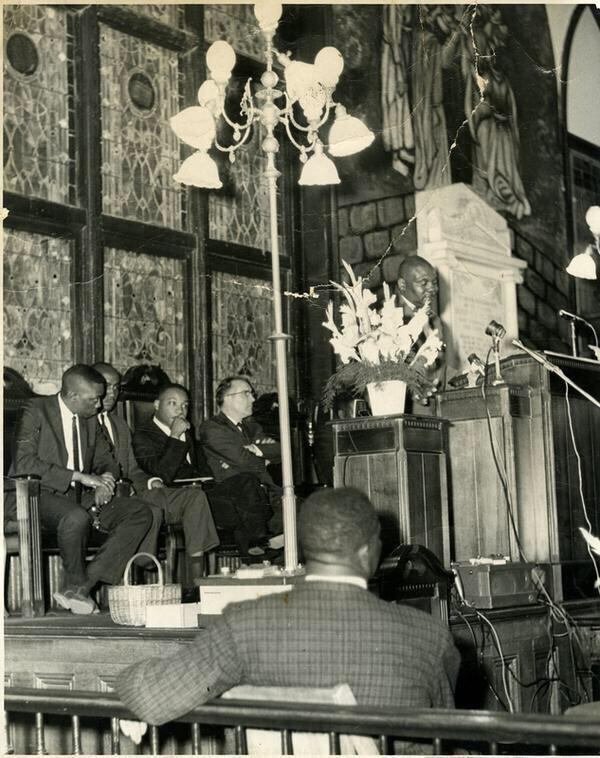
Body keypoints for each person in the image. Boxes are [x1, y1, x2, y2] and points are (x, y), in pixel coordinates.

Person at [116, 487, 460, 727]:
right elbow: (446, 730)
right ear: (368, 553)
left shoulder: (245, 625)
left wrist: (134, 687)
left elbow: (148, 696)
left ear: (305, 547)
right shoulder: (429, 635)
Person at [6, 365, 154, 614]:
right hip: (33, 494)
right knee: (75, 517)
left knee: (140, 512)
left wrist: (106, 479)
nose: (99, 405)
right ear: (73, 396)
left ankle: (81, 588)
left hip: (79, 497)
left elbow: (107, 459)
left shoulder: (89, 419)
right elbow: (24, 463)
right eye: (93, 399)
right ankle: (77, 588)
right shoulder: (35, 410)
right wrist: (81, 477)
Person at [92, 363, 219, 569]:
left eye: (116, 387)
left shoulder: (120, 425)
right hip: (106, 498)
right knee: (150, 510)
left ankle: (198, 579)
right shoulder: (81, 423)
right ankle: (144, 558)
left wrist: (152, 481)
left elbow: (133, 468)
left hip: (137, 490)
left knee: (194, 497)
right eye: (106, 386)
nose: (111, 393)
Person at [132, 383, 274, 558]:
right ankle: (256, 551)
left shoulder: (187, 431)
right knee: (242, 509)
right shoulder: (143, 435)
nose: (180, 410)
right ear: (156, 405)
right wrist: (175, 437)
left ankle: (257, 543)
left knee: (245, 481)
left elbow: (201, 469)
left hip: (200, 492)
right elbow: (162, 473)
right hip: (175, 499)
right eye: (172, 403)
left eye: (185, 405)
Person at [396, 255, 446, 408]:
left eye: (434, 283)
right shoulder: (390, 318)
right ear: (403, 285)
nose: (432, 289)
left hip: (433, 407)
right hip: (404, 408)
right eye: (423, 283)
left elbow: (439, 367)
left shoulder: (435, 320)